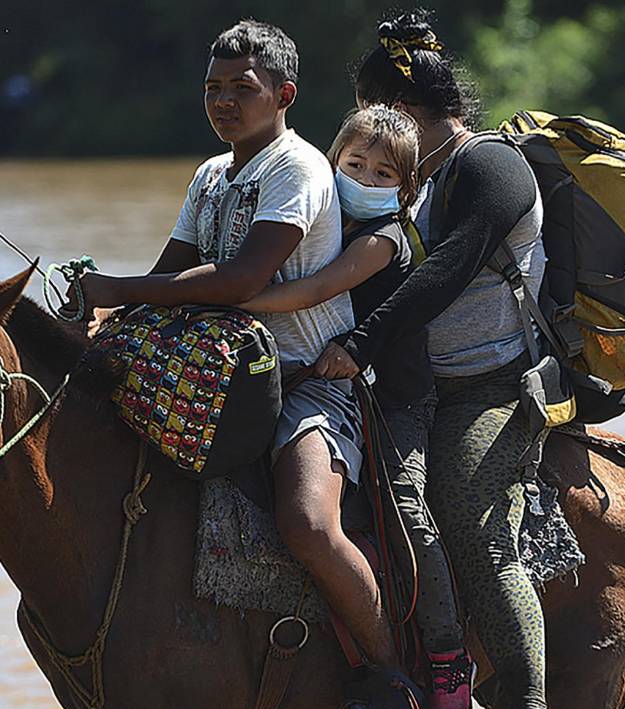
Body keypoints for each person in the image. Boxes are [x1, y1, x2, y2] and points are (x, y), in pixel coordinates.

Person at [72, 20, 398, 671]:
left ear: (284, 94)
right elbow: (170, 272)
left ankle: (390, 672)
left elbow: (242, 278)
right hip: (219, 376)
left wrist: (115, 285)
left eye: (241, 88)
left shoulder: (298, 169)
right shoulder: (211, 176)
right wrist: (107, 311)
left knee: (307, 524)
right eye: (212, 87)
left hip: (308, 382)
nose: (223, 100)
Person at [310, 10, 570, 709]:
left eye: (384, 121)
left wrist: (355, 347)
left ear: (408, 111)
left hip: (488, 387)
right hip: (407, 384)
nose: (372, 142)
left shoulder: (492, 170)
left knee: (461, 507)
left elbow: (442, 274)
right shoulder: (395, 178)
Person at [241, 104, 473, 709]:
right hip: (318, 375)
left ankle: (444, 654)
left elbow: (315, 292)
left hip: (394, 395)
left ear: (407, 188)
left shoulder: (382, 238)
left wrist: (224, 295)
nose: (365, 181)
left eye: (382, 174)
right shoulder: (313, 216)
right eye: (355, 166)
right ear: (330, 161)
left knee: (405, 504)